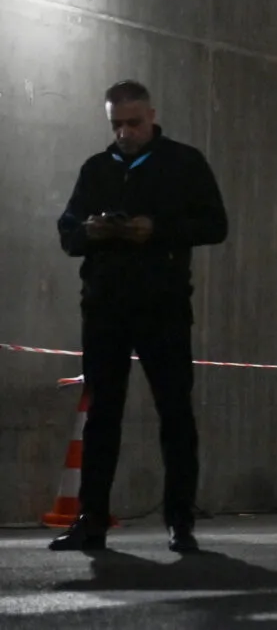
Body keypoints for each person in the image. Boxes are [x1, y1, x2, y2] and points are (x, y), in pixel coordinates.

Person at [51, 80, 228, 553]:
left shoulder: (184, 163)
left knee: (175, 412)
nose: (125, 133)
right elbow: (67, 232)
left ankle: (180, 519)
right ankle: (91, 521)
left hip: (163, 307)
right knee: (102, 413)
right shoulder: (95, 169)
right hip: (105, 307)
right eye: (116, 124)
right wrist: (90, 231)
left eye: (133, 123)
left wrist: (158, 230)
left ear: (152, 115)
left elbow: (215, 225)